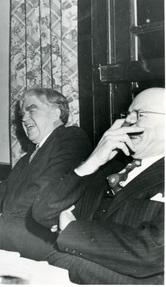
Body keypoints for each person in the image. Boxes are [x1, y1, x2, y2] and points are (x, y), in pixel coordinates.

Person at [35, 87, 164, 284]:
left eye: (140, 114)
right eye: (127, 115)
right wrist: (93, 161)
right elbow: (44, 213)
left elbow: (155, 252)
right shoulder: (110, 168)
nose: (128, 122)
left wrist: (72, 229)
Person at [0, 87, 92, 259]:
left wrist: (1, 217)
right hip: (17, 226)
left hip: (46, 233)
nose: (25, 119)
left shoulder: (71, 138)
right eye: (22, 115)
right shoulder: (26, 158)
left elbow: (46, 188)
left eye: (31, 111)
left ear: (55, 113)